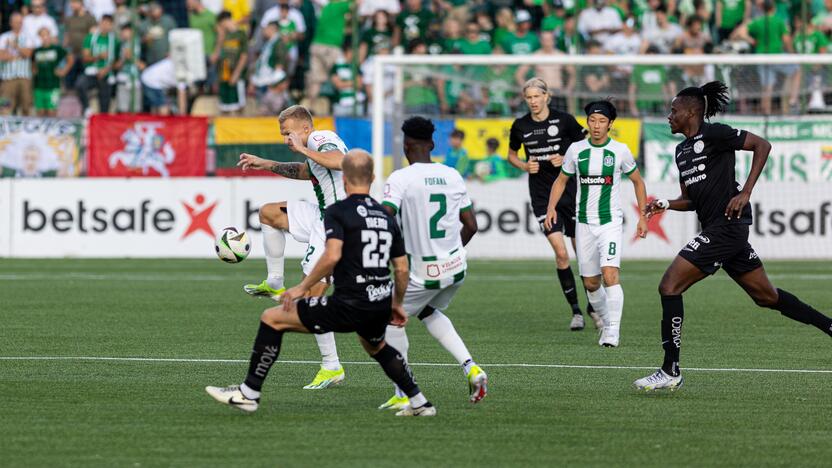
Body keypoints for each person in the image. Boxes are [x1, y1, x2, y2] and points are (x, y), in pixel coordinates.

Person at [206, 149, 437, 417]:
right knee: (377, 346)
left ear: (345, 180)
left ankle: (248, 394)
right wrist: (396, 304)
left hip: (349, 304)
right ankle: (420, 402)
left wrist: (302, 288)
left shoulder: (338, 211)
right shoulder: (385, 214)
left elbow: (332, 255)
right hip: (379, 301)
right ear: (372, 178)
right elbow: (401, 267)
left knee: (272, 318)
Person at [633, 81, 832, 391]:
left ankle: (670, 370)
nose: (669, 116)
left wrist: (746, 193)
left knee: (669, 286)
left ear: (691, 112)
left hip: (728, 227)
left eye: (673, 111)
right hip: (719, 230)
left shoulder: (715, 134)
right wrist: (666, 204)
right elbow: (692, 201)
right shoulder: (681, 151)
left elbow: (762, 145)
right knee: (767, 297)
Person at [377, 116, 487, 411]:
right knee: (427, 310)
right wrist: (448, 254)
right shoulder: (452, 175)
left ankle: (403, 393)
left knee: (391, 319)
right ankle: (471, 368)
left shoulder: (400, 178)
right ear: (433, 144)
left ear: (406, 144)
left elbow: (385, 215)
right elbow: (472, 226)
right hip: (456, 268)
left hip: (424, 272)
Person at [238, 105, 349, 390]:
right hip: (322, 214)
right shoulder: (312, 146)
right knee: (269, 213)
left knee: (312, 294)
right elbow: (305, 171)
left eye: (288, 133)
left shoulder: (321, 138)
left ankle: (331, 365)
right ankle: (274, 281)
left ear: (306, 129)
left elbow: (338, 161)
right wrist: (265, 163)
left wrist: (302, 147)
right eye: (283, 135)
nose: (286, 139)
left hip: (339, 223)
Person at [544, 100, 648, 347]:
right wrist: (550, 208)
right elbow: (561, 181)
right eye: (592, 120)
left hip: (610, 222)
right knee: (591, 283)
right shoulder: (576, 150)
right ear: (587, 122)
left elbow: (638, 182)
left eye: (602, 121)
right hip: (583, 224)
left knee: (610, 274)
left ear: (610, 124)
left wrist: (643, 216)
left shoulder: (620, 150)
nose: (597, 125)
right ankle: (605, 319)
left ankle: (613, 330)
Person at [508, 77, 602, 331]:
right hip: (541, 196)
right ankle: (576, 312)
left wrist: (567, 156)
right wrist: (524, 165)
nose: (533, 101)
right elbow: (511, 155)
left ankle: (594, 305)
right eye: (528, 98)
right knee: (561, 254)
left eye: (537, 96)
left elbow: (586, 143)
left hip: (570, 192)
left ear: (547, 96)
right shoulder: (520, 125)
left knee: (582, 253)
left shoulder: (564, 120)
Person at [32, 27, 72, 117]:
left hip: (53, 85)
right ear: (39, 37)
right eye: (42, 35)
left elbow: (70, 58)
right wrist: (34, 71)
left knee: (52, 112)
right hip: (39, 85)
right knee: (40, 112)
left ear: (50, 36)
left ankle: (52, 131)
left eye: (46, 34)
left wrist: (64, 70)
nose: (45, 37)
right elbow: (33, 64)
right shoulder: (37, 51)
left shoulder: (56, 49)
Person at [0, 13, 34, 116]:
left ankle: (26, 131)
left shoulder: (27, 37)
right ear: (10, 23)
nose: (17, 24)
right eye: (15, 22)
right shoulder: (4, 37)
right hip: (8, 78)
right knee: (5, 107)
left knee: (26, 106)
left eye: (19, 22)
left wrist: (15, 46)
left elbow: (28, 54)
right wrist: (19, 55)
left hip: (24, 77)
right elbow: (1, 56)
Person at [214, 11, 248, 115]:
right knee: (224, 108)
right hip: (223, 76)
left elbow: (244, 56)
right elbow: (215, 57)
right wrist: (220, 40)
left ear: (224, 21)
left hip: (236, 75)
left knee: (238, 106)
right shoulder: (223, 36)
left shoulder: (241, 34)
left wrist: (237, 73)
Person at [114, 23, 143, 113]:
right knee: (123, 109)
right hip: (123, 79)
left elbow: (143, 65)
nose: (123, 34)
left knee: (136, 109)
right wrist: (123, 59)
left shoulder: (140, 44)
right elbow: (115, 65)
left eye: (126, 31)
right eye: (122, 31)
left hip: (136, 80)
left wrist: (132, 57)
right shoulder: (118, 45)